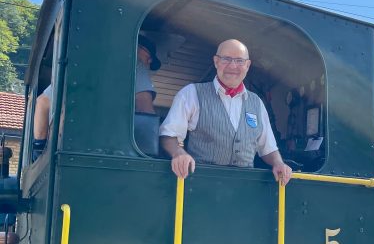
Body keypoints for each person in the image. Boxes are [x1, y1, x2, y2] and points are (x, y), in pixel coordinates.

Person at [159, 39, 293, 185]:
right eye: (226, 59)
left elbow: (268, 148)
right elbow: (169, 135)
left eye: (239, 61)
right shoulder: (191, 93)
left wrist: (278, 163)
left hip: (245, 188)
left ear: (247, 65)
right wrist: (179, 153)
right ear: (216, 61)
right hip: (200, 186)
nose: (233, 66)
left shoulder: (257, 103)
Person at [33, 35, 161, 143]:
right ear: (138, 48)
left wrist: (39, 147)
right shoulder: (136, 64)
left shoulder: (85, 65)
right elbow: (145, 111)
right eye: (149, 57)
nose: (149, 62)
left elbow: (42, 102)